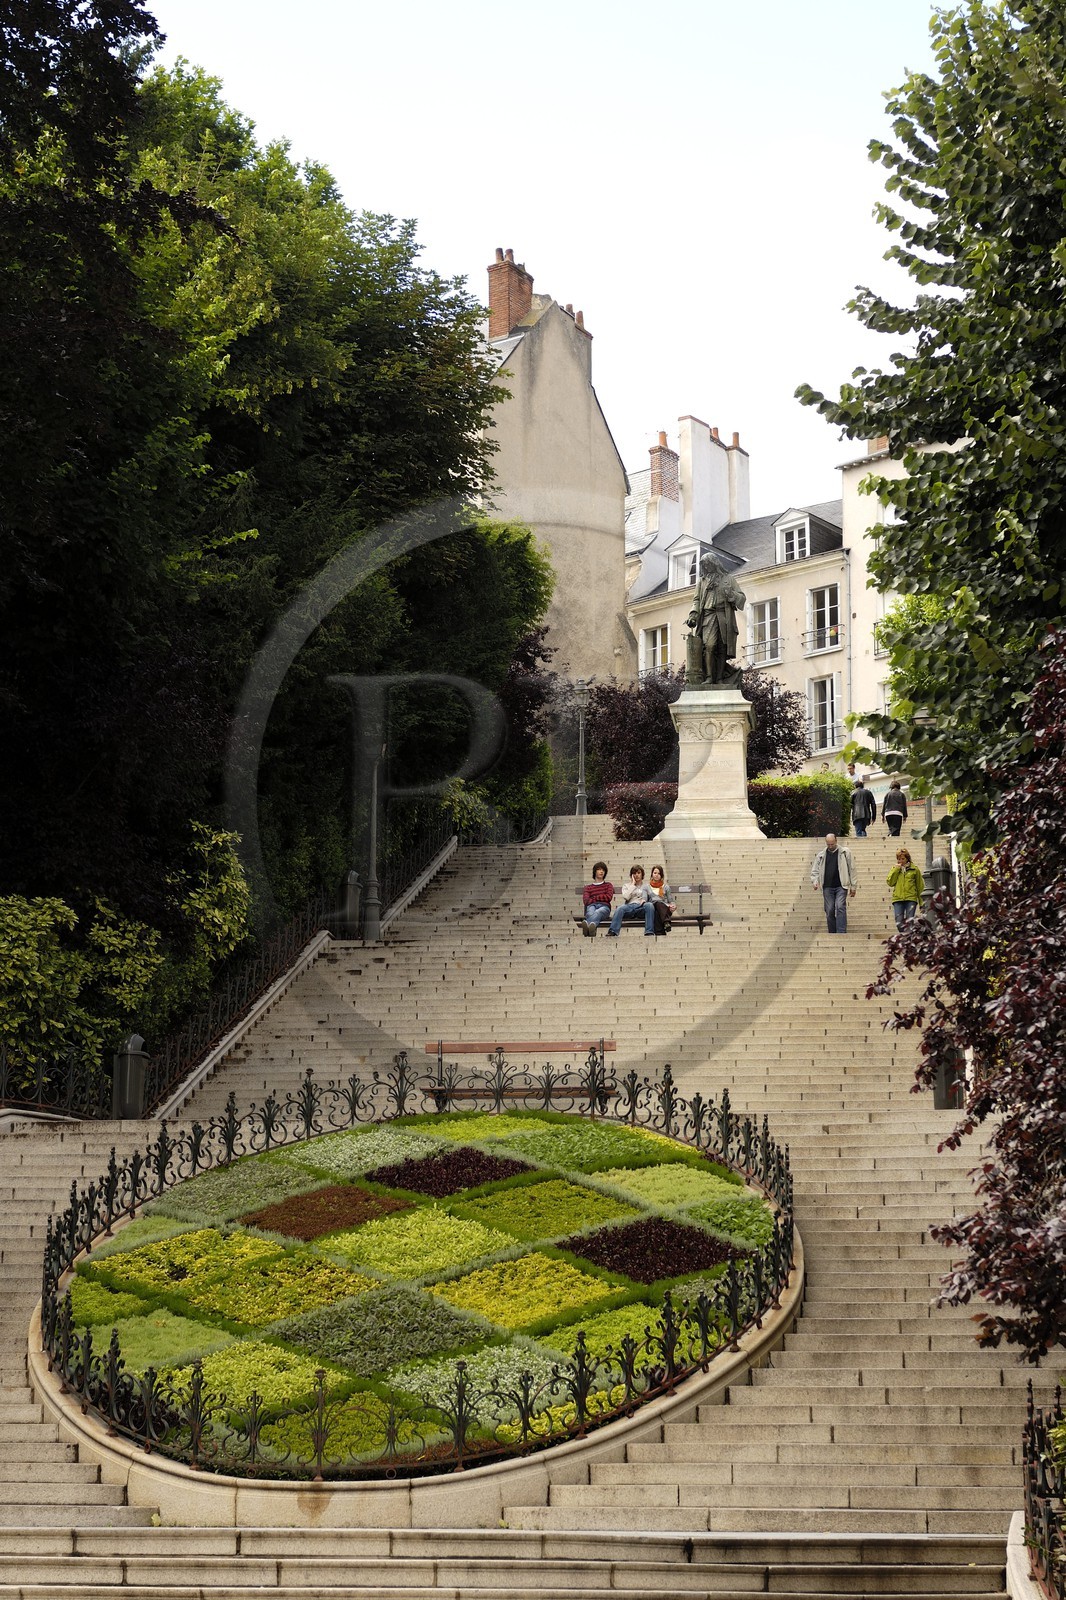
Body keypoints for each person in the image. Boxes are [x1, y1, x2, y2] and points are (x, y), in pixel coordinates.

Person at [810, 832, 857, 933]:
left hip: (841, 885)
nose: (830, 846)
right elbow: (815, 870)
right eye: (828, 844)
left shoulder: (845, 852)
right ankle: (832, 931)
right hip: (827, 886)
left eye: (832, 844)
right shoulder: (821, 855)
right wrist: (815, 881)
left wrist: (853, 886)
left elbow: (852, 869)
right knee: (829, 909)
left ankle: (841, 932)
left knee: (840, 906)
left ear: (836, 841)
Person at [607, 865, 656, 936]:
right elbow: (626, 897)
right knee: (620, 908)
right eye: (634, 873)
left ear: (642, 874)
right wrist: (633, 884)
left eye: (638, 873)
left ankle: (649, 931)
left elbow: (653, 898)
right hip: (629, 907)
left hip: (641, 908)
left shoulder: (647, 886)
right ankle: (613, 931)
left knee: (649, 905)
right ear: (631, 875)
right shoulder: (626, 886)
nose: (636, 875)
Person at [886, 848, 924, 928]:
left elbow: (920, 887)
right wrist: (896, 870)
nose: (901, 861)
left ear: (907, 858)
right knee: (899, 923)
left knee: (909, 922)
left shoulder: (915, 869)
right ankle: (907, 937)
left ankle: (909, 938)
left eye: (903, 859)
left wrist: (922, 904)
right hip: (898, 899)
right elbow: (890, 882)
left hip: (911, 899)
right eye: (899, 859)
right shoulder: (895, 869)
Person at [581, 861, 614, 936]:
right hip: (591, 906)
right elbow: (586, 901)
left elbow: (608, 897)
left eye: (603, 870)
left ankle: (587, 929)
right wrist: (601, 897)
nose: (601, 871)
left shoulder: (608, 885)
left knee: (598, 912)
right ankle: (591, 930)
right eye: (599, 869)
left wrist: (594, 898)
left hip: (604, 907)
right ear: (594, 872)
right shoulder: (588, 887)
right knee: (590, 912)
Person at [647, 865, 676, 936]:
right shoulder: (647, 887)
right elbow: (646, 901)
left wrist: (673, 906)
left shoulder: (666, 887)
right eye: (655, 873)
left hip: (665, 909)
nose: (657, 875)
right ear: (652, 874)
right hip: (653, 909)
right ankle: (665, 925)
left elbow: (670, 900)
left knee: (658, 905)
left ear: (661, 875)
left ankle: (660, 932)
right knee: (656, 905)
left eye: (659, 873)